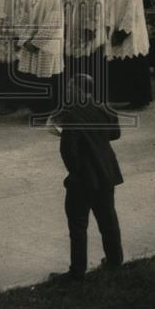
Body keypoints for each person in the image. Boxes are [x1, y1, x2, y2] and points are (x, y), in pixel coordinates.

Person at [49, 74, 124, 282]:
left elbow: (68, 151)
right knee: (108, 219)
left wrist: (76, 171)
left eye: (70, 88)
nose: (67, 92)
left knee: (78, 225)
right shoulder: (105, 108)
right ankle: (115, 260)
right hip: (106, 171)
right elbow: (115, 134)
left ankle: (77, 271)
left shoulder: (72, 114)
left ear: (80, 91)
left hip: (83, 178)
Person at [105, 0, 152, 109]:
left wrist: (122, 33)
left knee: (134, 65)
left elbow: (131, 14)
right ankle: (125, 97)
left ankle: (139, 100)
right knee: (122, 66)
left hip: (131, 33)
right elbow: (109, 10)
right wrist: (109, 29)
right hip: (116, 30)